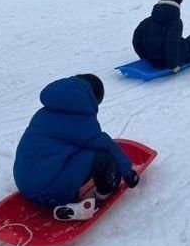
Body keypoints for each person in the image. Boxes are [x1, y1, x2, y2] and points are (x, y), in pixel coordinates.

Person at [13, 74, 140, 221]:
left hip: (24, 184)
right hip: (50, 192)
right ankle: (100, 194)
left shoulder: (44, 112)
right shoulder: (80, 121)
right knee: (101, 156)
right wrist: (128, 172)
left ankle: (63, 200)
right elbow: (107, 146)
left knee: (69, 151)